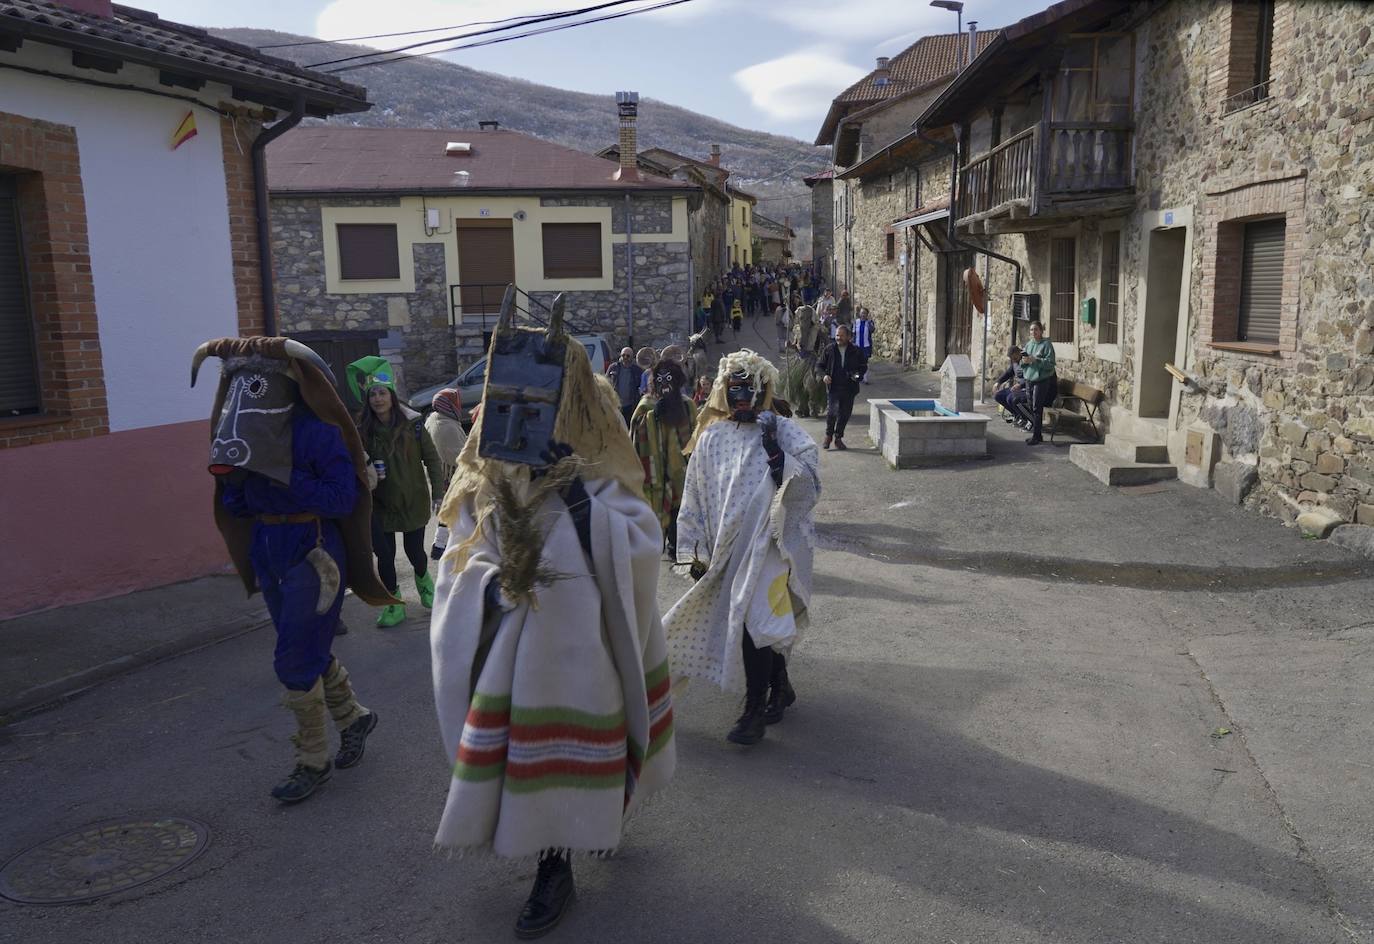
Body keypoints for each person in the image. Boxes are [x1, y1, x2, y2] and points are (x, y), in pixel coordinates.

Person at [430, 292, 675, 937]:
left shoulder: (597, 471)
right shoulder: (483, 481)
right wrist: (494, 588)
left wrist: (577, 501)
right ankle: (552, 861)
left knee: (583, 750)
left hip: (586, 653)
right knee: (530, 764)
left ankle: (570, 844)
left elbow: (643, 542)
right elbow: (454, 558)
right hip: (513, 657)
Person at [192, 337, 390, 803]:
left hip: (315, 552)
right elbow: (239, 503)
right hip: (269, 547)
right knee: (306, 647)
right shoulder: (242, 433)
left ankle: (312, 760)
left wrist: (281, 472)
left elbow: (343, 497)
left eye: (256, 384)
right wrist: (238, 482)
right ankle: (354, 717)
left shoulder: (317, 432)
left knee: (292, 658)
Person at [665, 350, 820, 746]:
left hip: (767, 544)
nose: (743, 397)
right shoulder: (711, 437)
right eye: (736, 388)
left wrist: (775, 452)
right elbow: (695, 495)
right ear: (725, 389)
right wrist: (692, 550)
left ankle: (754, 710)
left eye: (751, 388)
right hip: (725, 550)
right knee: (757, 625)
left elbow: (810, 474)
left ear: (762, 389)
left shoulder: (780, 428)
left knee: (756, 622)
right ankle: (780, 685)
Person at [349, 356, 445, 628]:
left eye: (382, 393)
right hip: (379, 504)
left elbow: (433, 460)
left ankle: (425, 585)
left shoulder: (414, 425)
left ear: (391, 395)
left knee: (415, 553)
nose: (377, 399)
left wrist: (438, 492)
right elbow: (356, 463)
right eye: (372, 395)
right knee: (385, 555)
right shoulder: (362, 431)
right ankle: (393, 605)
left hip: (412, 500)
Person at [632, 359, 697, 557]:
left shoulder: (687, 405)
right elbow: (634, 432)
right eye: (660, 379)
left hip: (681, 469)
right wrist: (652, 416)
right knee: (657, 505)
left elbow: (696, 432)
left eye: (669, 379)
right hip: (655, 468)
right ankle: (657, 542)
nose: (665, 384)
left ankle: (676, 546)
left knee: (680, 507)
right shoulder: (646, 405)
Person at [424, 388, 468, 560]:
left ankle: (439, 545)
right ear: (450, 405)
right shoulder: (447, 426)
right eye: (455, 401)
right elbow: (459, 455)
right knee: (458, 510)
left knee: (449, 511)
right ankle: (449, 546)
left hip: (439, 474)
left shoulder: (433, 419)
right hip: (451, 476)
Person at [818, 323, 868, 451]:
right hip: (833, 387)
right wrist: (824, 376)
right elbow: (819, 366)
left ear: (848, 337)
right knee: (832, 412)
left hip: (849, 388)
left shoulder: (856, 351)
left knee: (845, 414)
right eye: (837, 335)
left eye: (841, 336)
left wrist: (857, 376)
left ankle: (838, 437)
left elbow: (863, 367)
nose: (838, 338)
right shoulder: (829, 349)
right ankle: (828, 436)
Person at [781, 304, 827, 418]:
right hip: (800, 361)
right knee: (800, 387)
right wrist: (790, 345)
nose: (803, 321)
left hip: (813, 360)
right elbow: (796, 346)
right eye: (801, 318)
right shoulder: (798, 330)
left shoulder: (818, 329)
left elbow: (826, 345)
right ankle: (803, 408)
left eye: (805, 318)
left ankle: (814, 408)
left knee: (812, 385)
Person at [1020, 320, 1058, 445]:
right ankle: (1037, 433)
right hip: (1029, 379)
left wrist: (1036, 360)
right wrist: (1024, 361)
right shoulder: (1029, 345)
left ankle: (1037, 435)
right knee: (1031, 406)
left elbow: (1050, 364)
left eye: (1036, 329)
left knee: (1037, 406)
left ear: (1041, 331)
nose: (1033, 332)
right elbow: (1022, 363)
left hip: (1042, 380)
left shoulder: (1046, 345)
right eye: (1031, 330)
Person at [993, 346, 1032, 431]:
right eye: (1011, 358)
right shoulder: (1014, 362)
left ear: (1019, 353)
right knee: (998, 395)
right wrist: (998, 382)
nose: (1013, 360)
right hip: (1018, 387)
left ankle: (1029, 419)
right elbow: (1009, 372)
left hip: (1028, 388)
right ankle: (1018, 415)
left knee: (1011, 398)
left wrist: (1021, 385)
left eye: (1014, 358)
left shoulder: (1027, 359)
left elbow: (1032, 377)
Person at [607, 346, 644, 426]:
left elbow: (642, 388)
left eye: (628, 356)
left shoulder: (637, 370)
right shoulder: (613, 368)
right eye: (623, 355)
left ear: (632, 357)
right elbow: (607, 383)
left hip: (630, 406)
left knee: (629, 427)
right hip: (616, 405)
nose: (625, 357)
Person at [854, 307, 874, 383]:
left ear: (867, 314)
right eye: (862, 313)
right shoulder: (856, 322)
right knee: (856, 362)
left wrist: (869, 322)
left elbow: (872, 330)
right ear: (859, 314)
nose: (863, 315)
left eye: (865, 313)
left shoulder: (869, 322)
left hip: (866, 346)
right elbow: (853, 333)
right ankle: (857, 377)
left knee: (864, 362)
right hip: (857, 345)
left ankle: (865, 377)